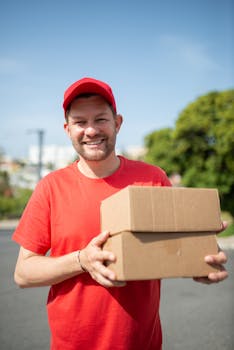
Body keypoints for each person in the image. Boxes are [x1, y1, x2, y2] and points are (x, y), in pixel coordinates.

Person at [12, 77, 228, 350]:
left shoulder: (152, 178)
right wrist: (81, 260)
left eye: (101, 119)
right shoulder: (50, 188)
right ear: (67, 129)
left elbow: (174, 248)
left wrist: (200, 259)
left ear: (118, 122)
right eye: (80, 122)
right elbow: (23, 272)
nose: (90, 130)